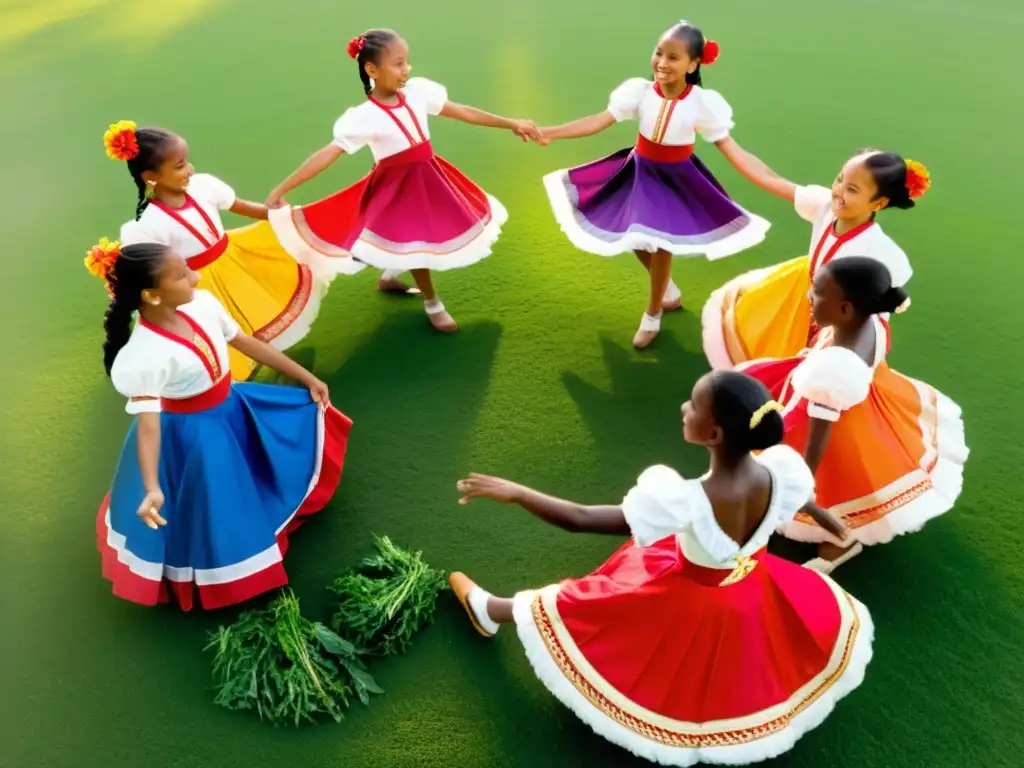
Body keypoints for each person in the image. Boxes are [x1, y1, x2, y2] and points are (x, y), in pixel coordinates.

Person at [448, 370, 873, 765]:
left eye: (692, 405)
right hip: (752, 588)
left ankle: (492, 609)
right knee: (748, 664)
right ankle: (493, 610)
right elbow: (805, 501)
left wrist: (518, 492)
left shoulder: (687, 499)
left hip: (692, 594)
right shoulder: (781, 473)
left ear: (714, 433)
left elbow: (581, 517)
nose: (683, 410)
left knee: (584, 605)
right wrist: (832, 525)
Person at [85, 239, 352, 611]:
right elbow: (148, 427)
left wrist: (304, 376)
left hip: (231, 407)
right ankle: (228, 570)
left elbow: (244, 342)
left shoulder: (204, 304)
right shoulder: (142, 357)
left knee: (250, 472)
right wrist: (151, 487)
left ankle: (262, 519)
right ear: (152, 295)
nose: (195, 277)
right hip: (191, 437)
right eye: (181, 275)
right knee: (214, 501)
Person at [264, 28, 543, 333]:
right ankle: (433, 303)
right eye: (398, 64)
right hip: (395, 190)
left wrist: (511, 123)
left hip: (429, 177)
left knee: (418, 236)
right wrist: (282, 188)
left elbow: (462, 112)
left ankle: (388, 276)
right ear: (373, 69)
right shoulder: (364, 117)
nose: (406, 70)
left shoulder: (418, 93)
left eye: (407, 62)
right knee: (417, 240)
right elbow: (328, 154)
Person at [538, 20, 770, 349]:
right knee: (630, 235)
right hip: (638, 171)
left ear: (694, 64)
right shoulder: (640, 92)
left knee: (661, 244)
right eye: (659, 53)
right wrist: (552, 132)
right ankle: (668, 291)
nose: (662, 63)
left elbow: (731, 148)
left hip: (676, 180)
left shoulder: (702, 104)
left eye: (674, 57)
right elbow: (598, 121)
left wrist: (767, 178)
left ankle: (653, 314)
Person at [740, 257, 968, 572]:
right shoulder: (872, 318)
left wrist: (802, 477)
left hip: (835, 431)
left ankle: (840, 538)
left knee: (832, 486)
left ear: (845, 309)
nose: (809, 297)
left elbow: (819, 430)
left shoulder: (834, 371)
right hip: (867, 409)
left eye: (817, 293)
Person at [105, 120, 334, 381]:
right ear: (150, 177)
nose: (189, 170)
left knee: (259, 304)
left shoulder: (203, 187)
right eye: (179, 166)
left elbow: (244, 207)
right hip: (200, 283)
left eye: (187, 161)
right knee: (223, 330)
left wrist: (290, 216)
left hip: (237, 259)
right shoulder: (147, 225)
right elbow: (153, 269)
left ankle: (276, 358)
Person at [702, 147, 928, 369]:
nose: (839, 191)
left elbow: (877, 310)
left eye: (852, 189)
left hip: (835, 315)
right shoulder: (824, 206)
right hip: (800, 292)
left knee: (811, 371)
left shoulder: (877, 251)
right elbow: (770, 178)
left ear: (879, 203)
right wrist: (725, 142)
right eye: (839, 180)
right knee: (764, 336)